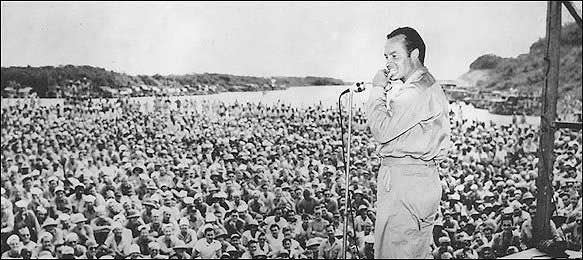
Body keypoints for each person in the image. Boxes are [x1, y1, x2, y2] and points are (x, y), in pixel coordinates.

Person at [365, 26, 451, 258]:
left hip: (407, 183)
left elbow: (381, 130)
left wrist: (377, 89)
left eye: (395, 56)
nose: (388, 62)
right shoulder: (423, 85)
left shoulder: (417, 91)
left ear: (414, 55)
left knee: (397, 252)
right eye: (386, 57)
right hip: (415, 180)